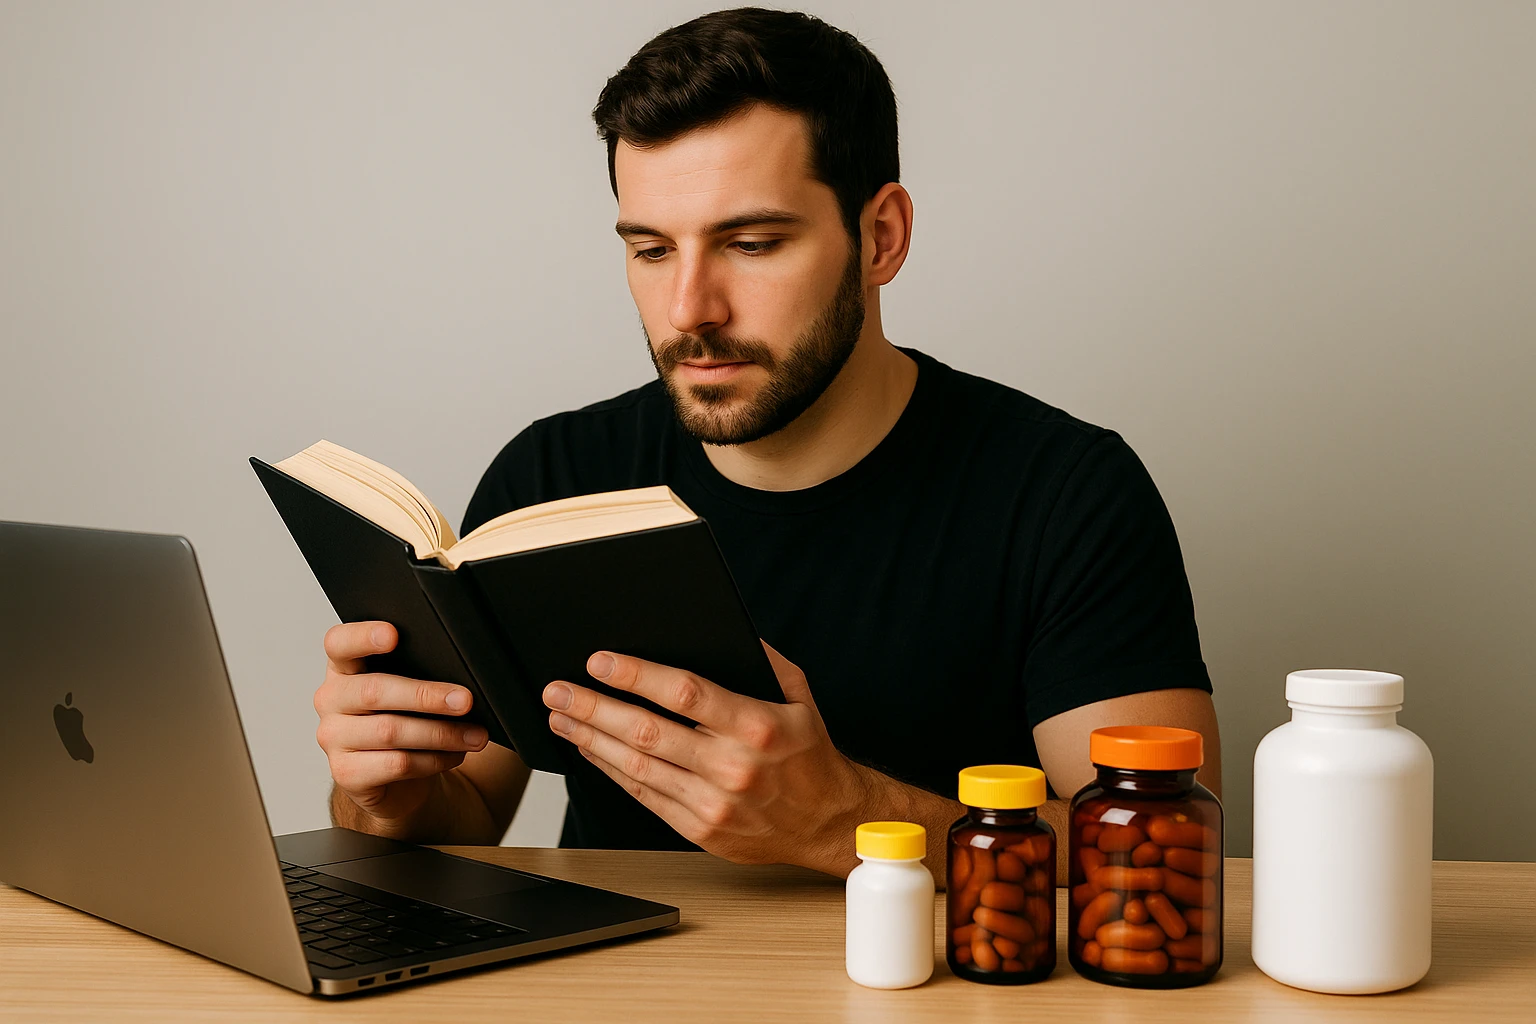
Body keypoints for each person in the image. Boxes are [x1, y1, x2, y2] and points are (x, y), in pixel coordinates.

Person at [312, 7, 1221, 883]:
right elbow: (465, 815)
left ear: (880, 237)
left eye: (749, 244)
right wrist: (386, 799)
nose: (689, 311)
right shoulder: (553, 477)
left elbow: (1158, 856)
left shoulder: (1066, 492)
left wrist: (841, 820)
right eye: (652, 250)